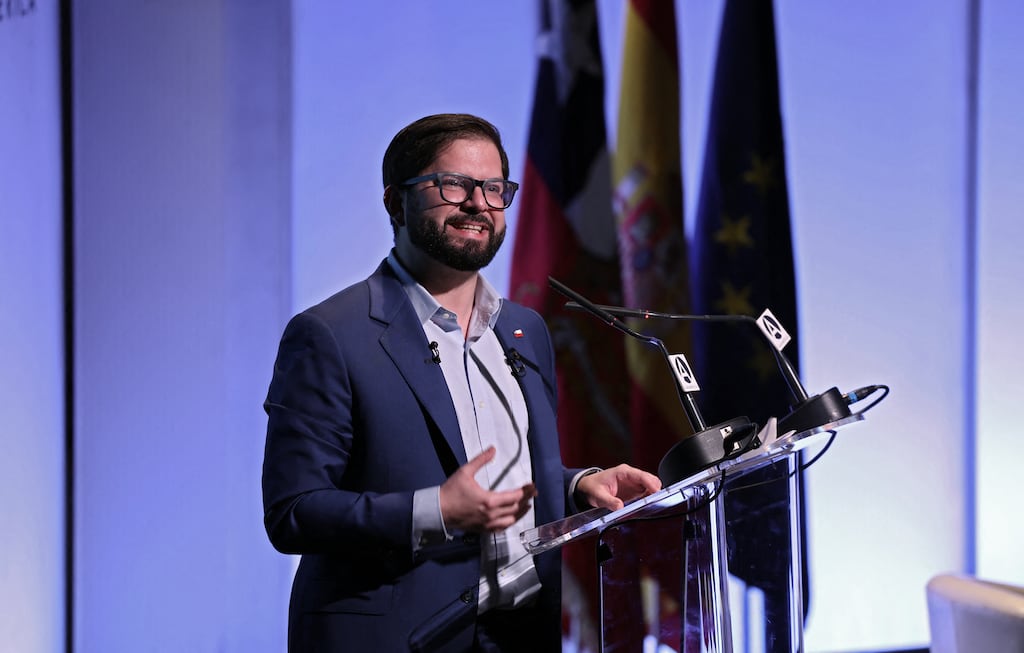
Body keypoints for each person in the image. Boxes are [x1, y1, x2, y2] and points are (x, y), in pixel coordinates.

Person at [262, 113, 662, 652]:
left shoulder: (524, 330)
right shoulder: (330, 335)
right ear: (396, 203)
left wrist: (574, 486)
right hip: (396, 637)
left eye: (494, 188)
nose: (479, 204)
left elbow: (498, 472)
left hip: (519, 636)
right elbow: (294, 512)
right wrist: (436, 513)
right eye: (454, 185)